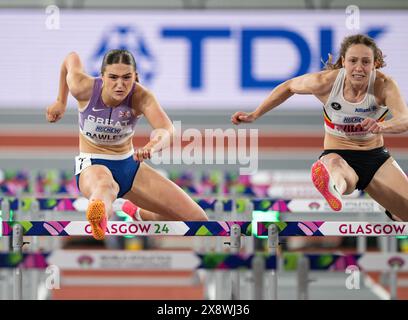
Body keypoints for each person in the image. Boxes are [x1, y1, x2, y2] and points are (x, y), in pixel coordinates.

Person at [232, 34, 408, 221]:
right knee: (336, 169)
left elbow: (404, 120)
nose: (359, 68)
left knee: (404, 215)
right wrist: (255, 114)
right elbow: (289, 86)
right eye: (353, 61)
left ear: (375, 64)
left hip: (376, 158)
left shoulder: (384, 85)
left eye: (366, 62)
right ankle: (332, 188)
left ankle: (392, 210)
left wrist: (382, 126)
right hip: (339, 154)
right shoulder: (326, 82)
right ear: (343, 62)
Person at [46, 49, 208, 240]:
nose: (120, 85)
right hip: (92, 164)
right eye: (113, 77)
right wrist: (60, 101)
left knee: (198, 221)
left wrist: (152, 146)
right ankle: (100, 216)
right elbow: (70, 58)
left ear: (136, 76)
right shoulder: (83, 87)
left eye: (127, 78)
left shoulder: (142, 96)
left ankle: (137, 213)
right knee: (106, 186)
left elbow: (168, 130)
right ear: (102, 76)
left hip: (130, 167)